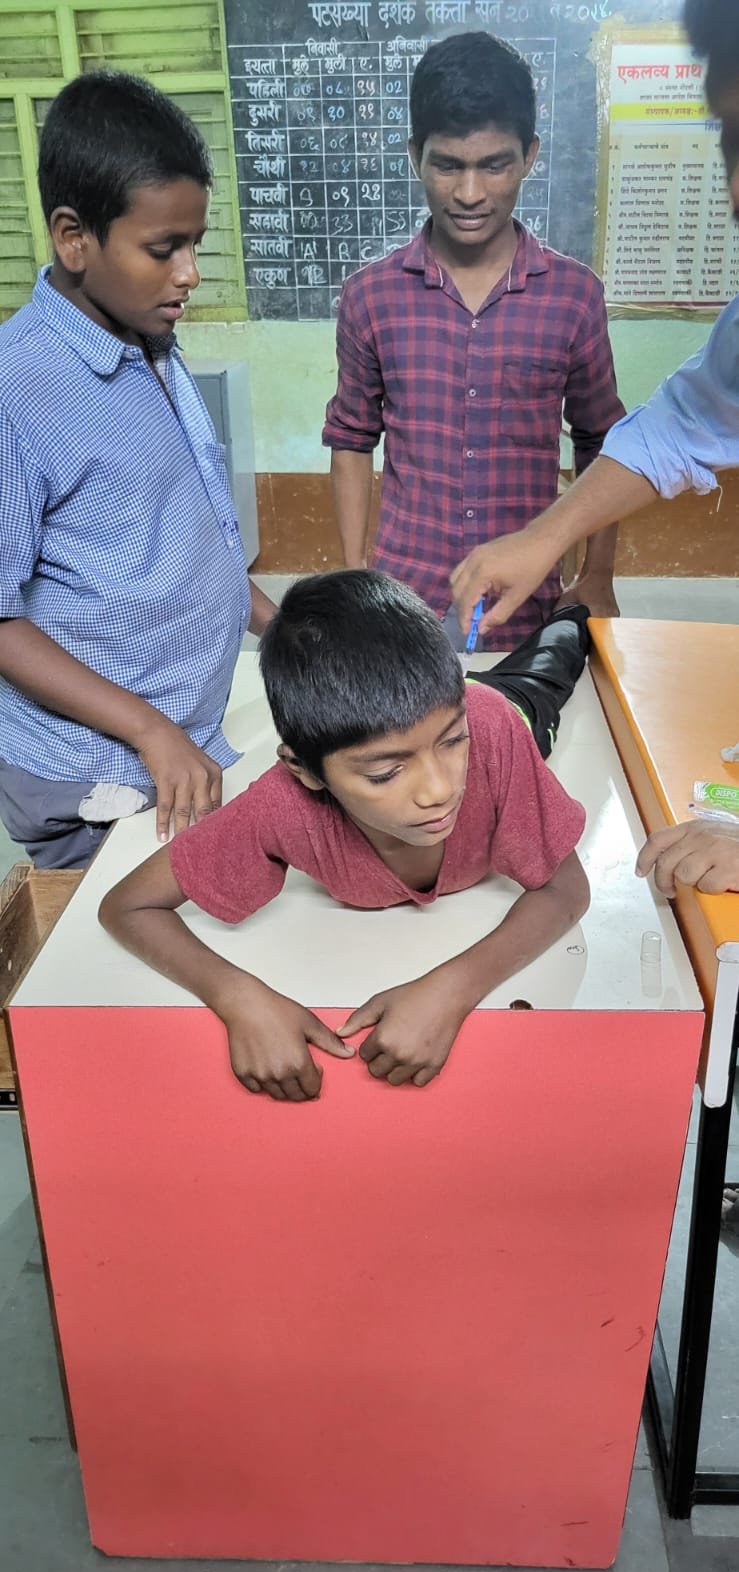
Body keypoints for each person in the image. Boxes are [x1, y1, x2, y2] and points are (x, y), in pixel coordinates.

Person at [99, 571, 590, 1102]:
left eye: (453, 742)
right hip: (461, 708)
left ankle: (574, 608)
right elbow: (128, 906)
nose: (440, 789)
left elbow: (566, 889)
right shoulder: (283, 804)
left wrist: (454, 989)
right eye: (385, 773)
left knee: (557, 653)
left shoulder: (489, 730)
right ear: (305, 770)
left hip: (513, 711)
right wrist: (237, 997)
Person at [451, 0, 739, 895]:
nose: (736, 194)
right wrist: (545, 538)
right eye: (731, 143)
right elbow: (683, 423)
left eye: (493, 164)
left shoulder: (569, 293)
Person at [0, 70, 275, 871]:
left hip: (181, 741)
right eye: (163, 249)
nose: (189, 273)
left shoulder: (146, 343)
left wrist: (282, 626)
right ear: (73, 237)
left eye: (195, 244)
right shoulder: (18, 389)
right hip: (96, 776)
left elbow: (175, 542)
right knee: (121, 937)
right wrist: (151, 731)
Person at [322, 31, 624, 652]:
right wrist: (355, 578)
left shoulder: (574, 298)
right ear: (415, 155)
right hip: (403, 605)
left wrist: (597, 574)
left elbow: (603, 441)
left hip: (526, 605)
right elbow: (351, 438)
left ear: (530, 155)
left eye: (494, 164)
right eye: (448, 165)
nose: (469, 194)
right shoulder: (369, 298)